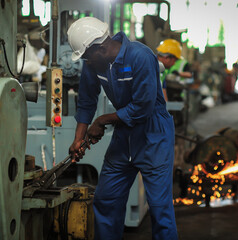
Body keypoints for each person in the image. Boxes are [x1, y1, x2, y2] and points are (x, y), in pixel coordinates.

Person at [67, 17, 178, 240]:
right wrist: (78, 139)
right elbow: (87, 100)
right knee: (106, 200)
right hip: (124, 138)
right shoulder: (94, 64)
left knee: (159, 208)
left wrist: (101, 121)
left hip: (153, 134)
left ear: (99, 48)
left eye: (86, 55)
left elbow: (143, 107)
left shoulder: (140, 56)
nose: (85, 61)